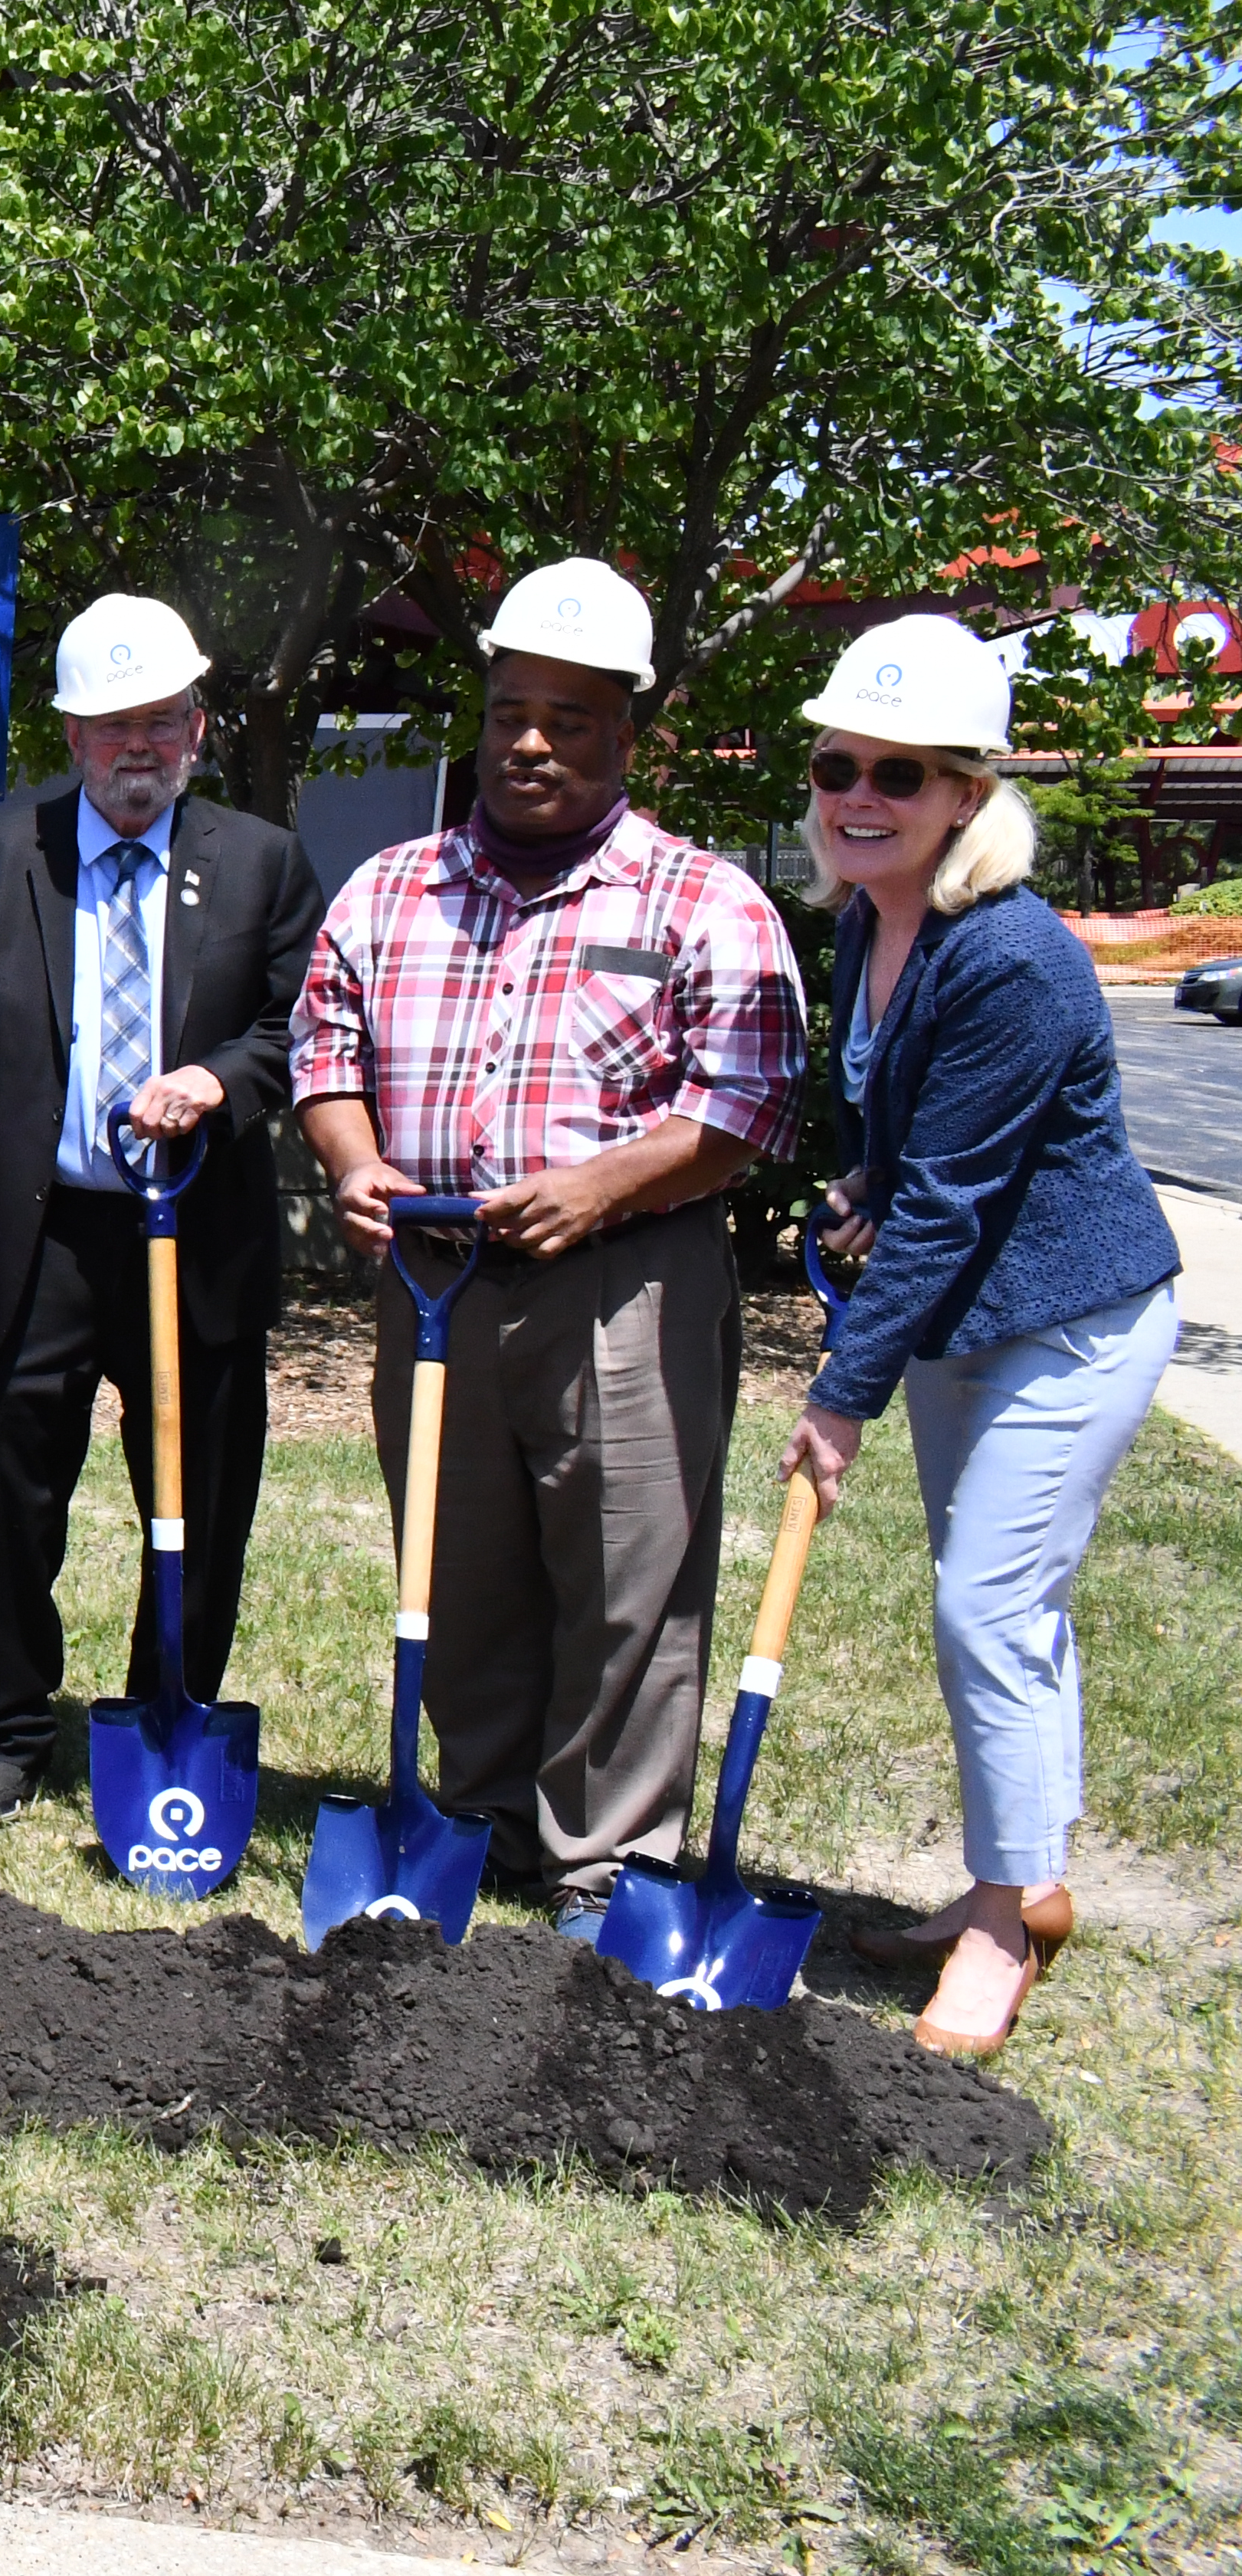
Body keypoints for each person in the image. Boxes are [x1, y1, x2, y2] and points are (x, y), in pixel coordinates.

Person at [292, 557, 808, 1935]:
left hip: (625, 1279)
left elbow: (743, 1106)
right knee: (455, 1568)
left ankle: (604, 1858)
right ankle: (482, 1811)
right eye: (510, 711)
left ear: (623, 734)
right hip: (437, 1279)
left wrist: (604, 1187)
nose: (528, 741)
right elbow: (322, 1049)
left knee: (625, 1573)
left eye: (567, 719)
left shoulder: (701, 901)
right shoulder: (389, 888)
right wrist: (354, 1165)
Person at [775, 616, 1177, 2057]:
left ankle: (997, 1931)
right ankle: (1026, 1880)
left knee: (984, 1613)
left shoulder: (1006, 953)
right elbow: (911, 1151)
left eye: (901, 770)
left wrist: (837, 1397)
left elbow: (951, 1203)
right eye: (837, 764)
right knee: (1007, 1609)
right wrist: (853, 1189)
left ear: (965, 795)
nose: (859, 793)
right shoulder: (863, 920)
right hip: (964, 1320)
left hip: (1065, 1322)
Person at [0, 594, 325, 1824]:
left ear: (198, 729)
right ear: (72, 736)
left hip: (195, 1233)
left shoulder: (263, 863)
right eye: (114, 725)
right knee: (5, 1497)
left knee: (195, 1500)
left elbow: (297, 1027)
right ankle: (8, 1721)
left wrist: (221, 1081)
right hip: (38, 1234)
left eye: (166, 720)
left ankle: (163, 1717)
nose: (142, 747)